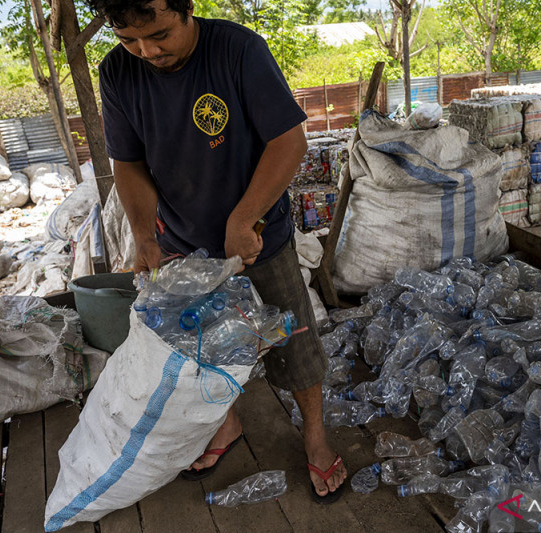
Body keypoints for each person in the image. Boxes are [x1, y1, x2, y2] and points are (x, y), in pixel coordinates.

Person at [87, 0, 347, 503]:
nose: (146, 51)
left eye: (158, 34)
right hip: (183, 247)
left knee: (294, 345)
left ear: (186, 10)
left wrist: (242, 217)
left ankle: (315, 436)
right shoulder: (117, 72)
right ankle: (226, 427)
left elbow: (289, 142)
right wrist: (144, 238)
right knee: (199, 351)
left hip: (258, 239)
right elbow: (129, 162)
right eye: (129, 40)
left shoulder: (238, 50)